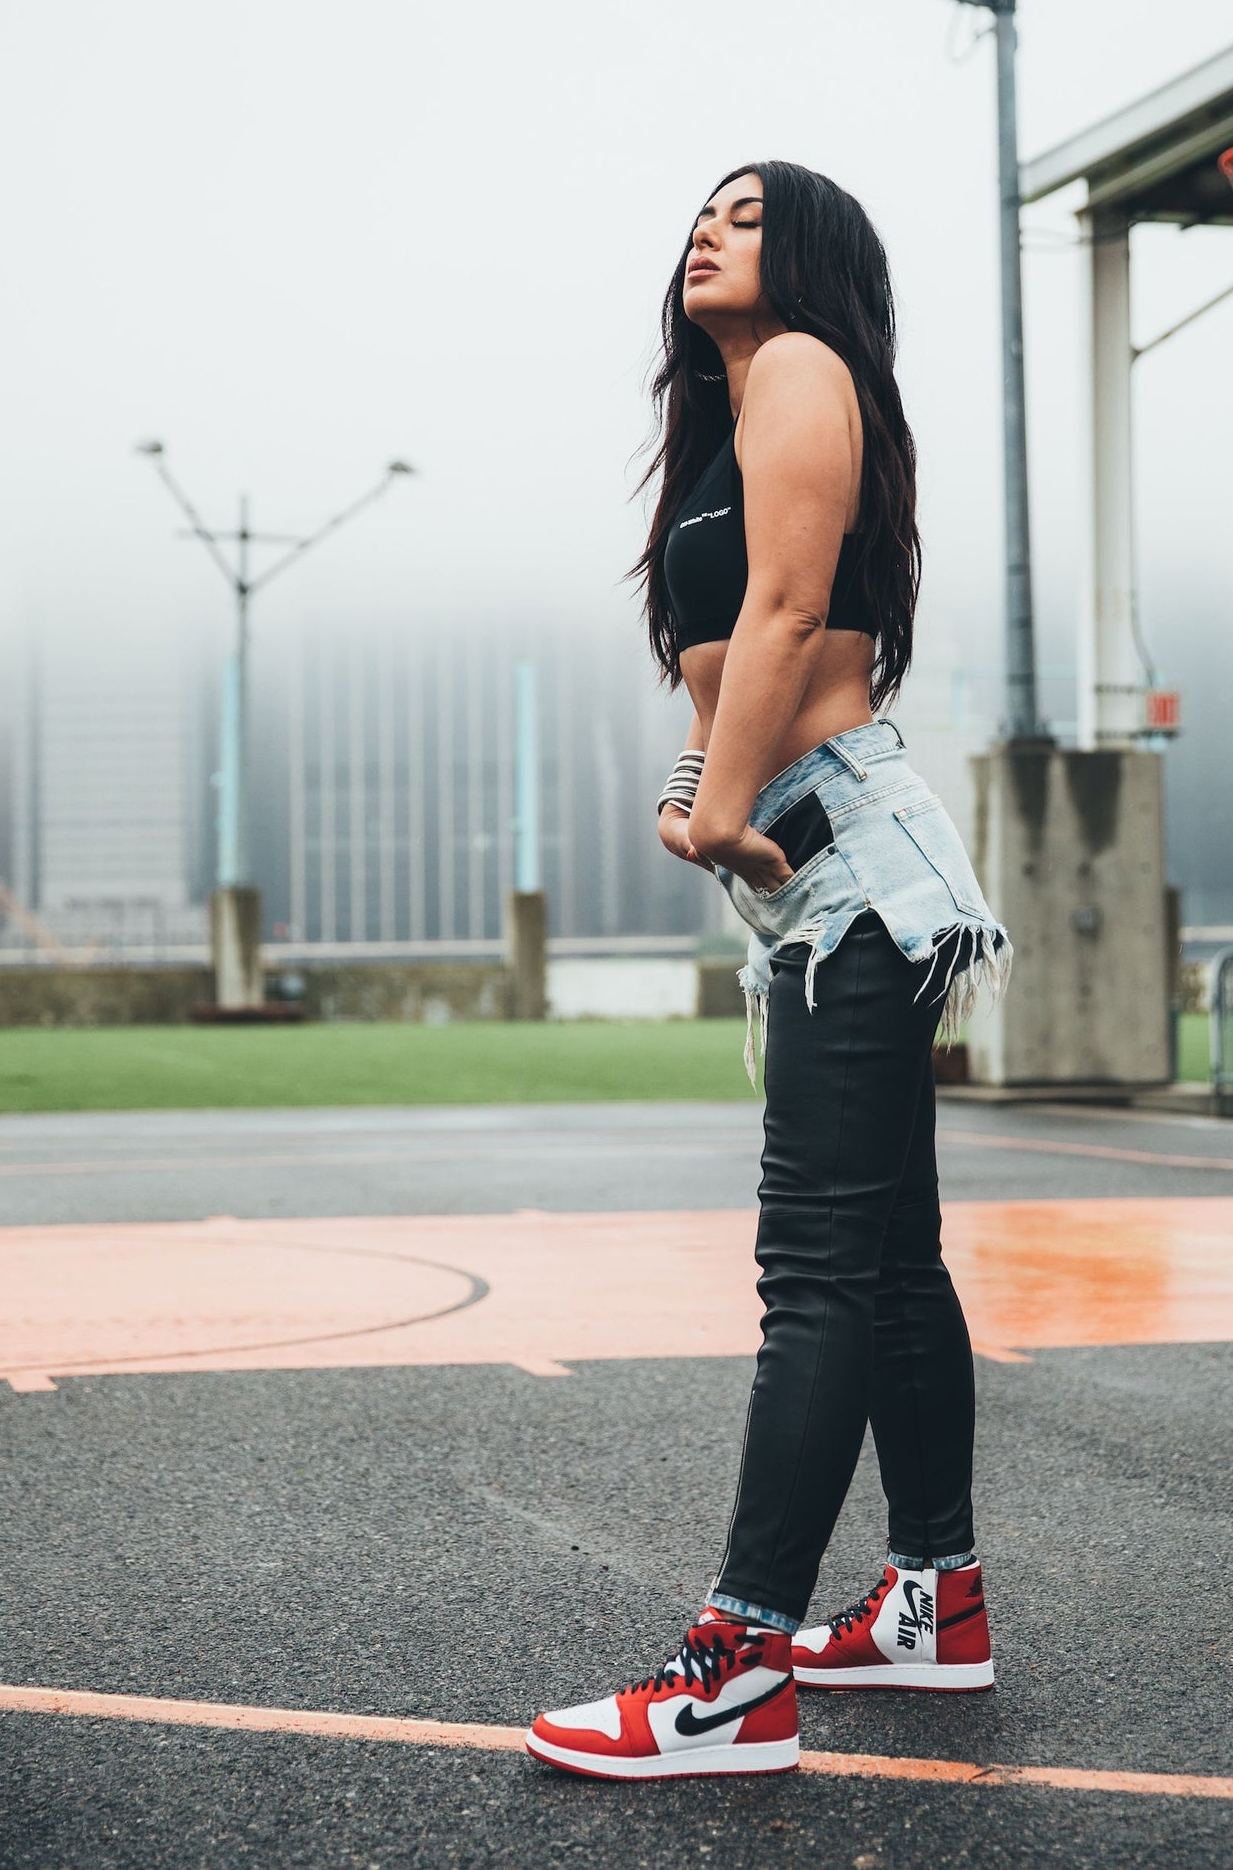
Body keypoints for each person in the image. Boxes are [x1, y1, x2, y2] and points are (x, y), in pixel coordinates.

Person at [525, 161, 1012, 1782]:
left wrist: (725, 808)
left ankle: (734, 1674)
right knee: (884, 1258)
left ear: (804, 253)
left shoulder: (804, 367)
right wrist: (697, 778)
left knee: (812, 1273)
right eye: (697, 212)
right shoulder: (718, 431)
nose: (704, 228)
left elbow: (803, 607)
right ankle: (934, 1602)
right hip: (811, 859)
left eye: (742, 210)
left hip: (855, 864)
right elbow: (729, 652)